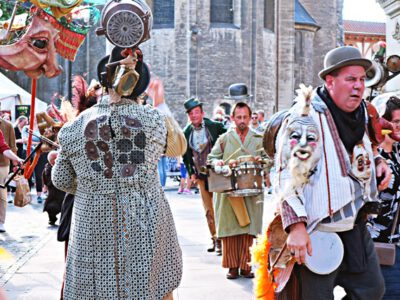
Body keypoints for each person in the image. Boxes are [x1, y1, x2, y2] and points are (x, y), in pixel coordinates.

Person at [52, 45, 186, 299]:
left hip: (91, 228)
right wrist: (161, 103)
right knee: (149, 289)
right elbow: (178, 146)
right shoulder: (154, 120)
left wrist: (91, 186)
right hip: (145, 225)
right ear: (138, 84)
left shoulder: (73, 128)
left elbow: (61, 179)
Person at [273, 46, 388, 299]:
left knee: (371, 290)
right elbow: (285, 177)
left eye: (361, 80)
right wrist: (296, 227)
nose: (358, 86)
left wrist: (378, 161)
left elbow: (367, 147)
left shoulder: (363, 114)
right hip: (317, 230)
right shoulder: (306, 119)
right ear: (330, 81)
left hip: (355, 225)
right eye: (350, 79)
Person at [207, 102, 265, 279]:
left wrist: (261, 161)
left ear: (250, 118)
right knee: (230, 228)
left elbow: (268, 158)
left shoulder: (258, 139)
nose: (242, 121)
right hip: (230, 191)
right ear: (232, 118)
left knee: (248, 229)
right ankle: (232, 266)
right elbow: (212, 158)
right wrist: (220, 163)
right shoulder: (224, 139)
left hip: (251, 189)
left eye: (245, 117)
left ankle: (246, 266)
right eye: (238, 117)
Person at [182, 98, 226, 253]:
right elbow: (185, 155)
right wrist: (191, 173)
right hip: (201, 176)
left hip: (216, 174)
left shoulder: (214, 126)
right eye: (191, 113)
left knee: (219, 207)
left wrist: (223, 159)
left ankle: (222, 238)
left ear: (202, 113)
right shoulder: (186, 132)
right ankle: (215, 239)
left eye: (196, 112)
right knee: (208, 210)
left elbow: (226, 137)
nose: (194, 116)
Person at [368, 96, 400, 299]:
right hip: (377, 243)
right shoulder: (373, 158)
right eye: (396, 122)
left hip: (397, 240)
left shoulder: (398, 152)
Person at [0, 119, 21, 233]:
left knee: (1, 193)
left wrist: (16, 161)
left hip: (2, 164)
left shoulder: (7, 126)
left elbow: (8, 147)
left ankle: (1, 221)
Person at [42, 151, 65, 225]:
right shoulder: (47, 167)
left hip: (63, 191)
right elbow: (44, 177)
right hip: (53, 192)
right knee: (50, 207)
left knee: (65, 207)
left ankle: (64, 222)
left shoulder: (64, 165)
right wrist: (45, 186)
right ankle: (52, 219)